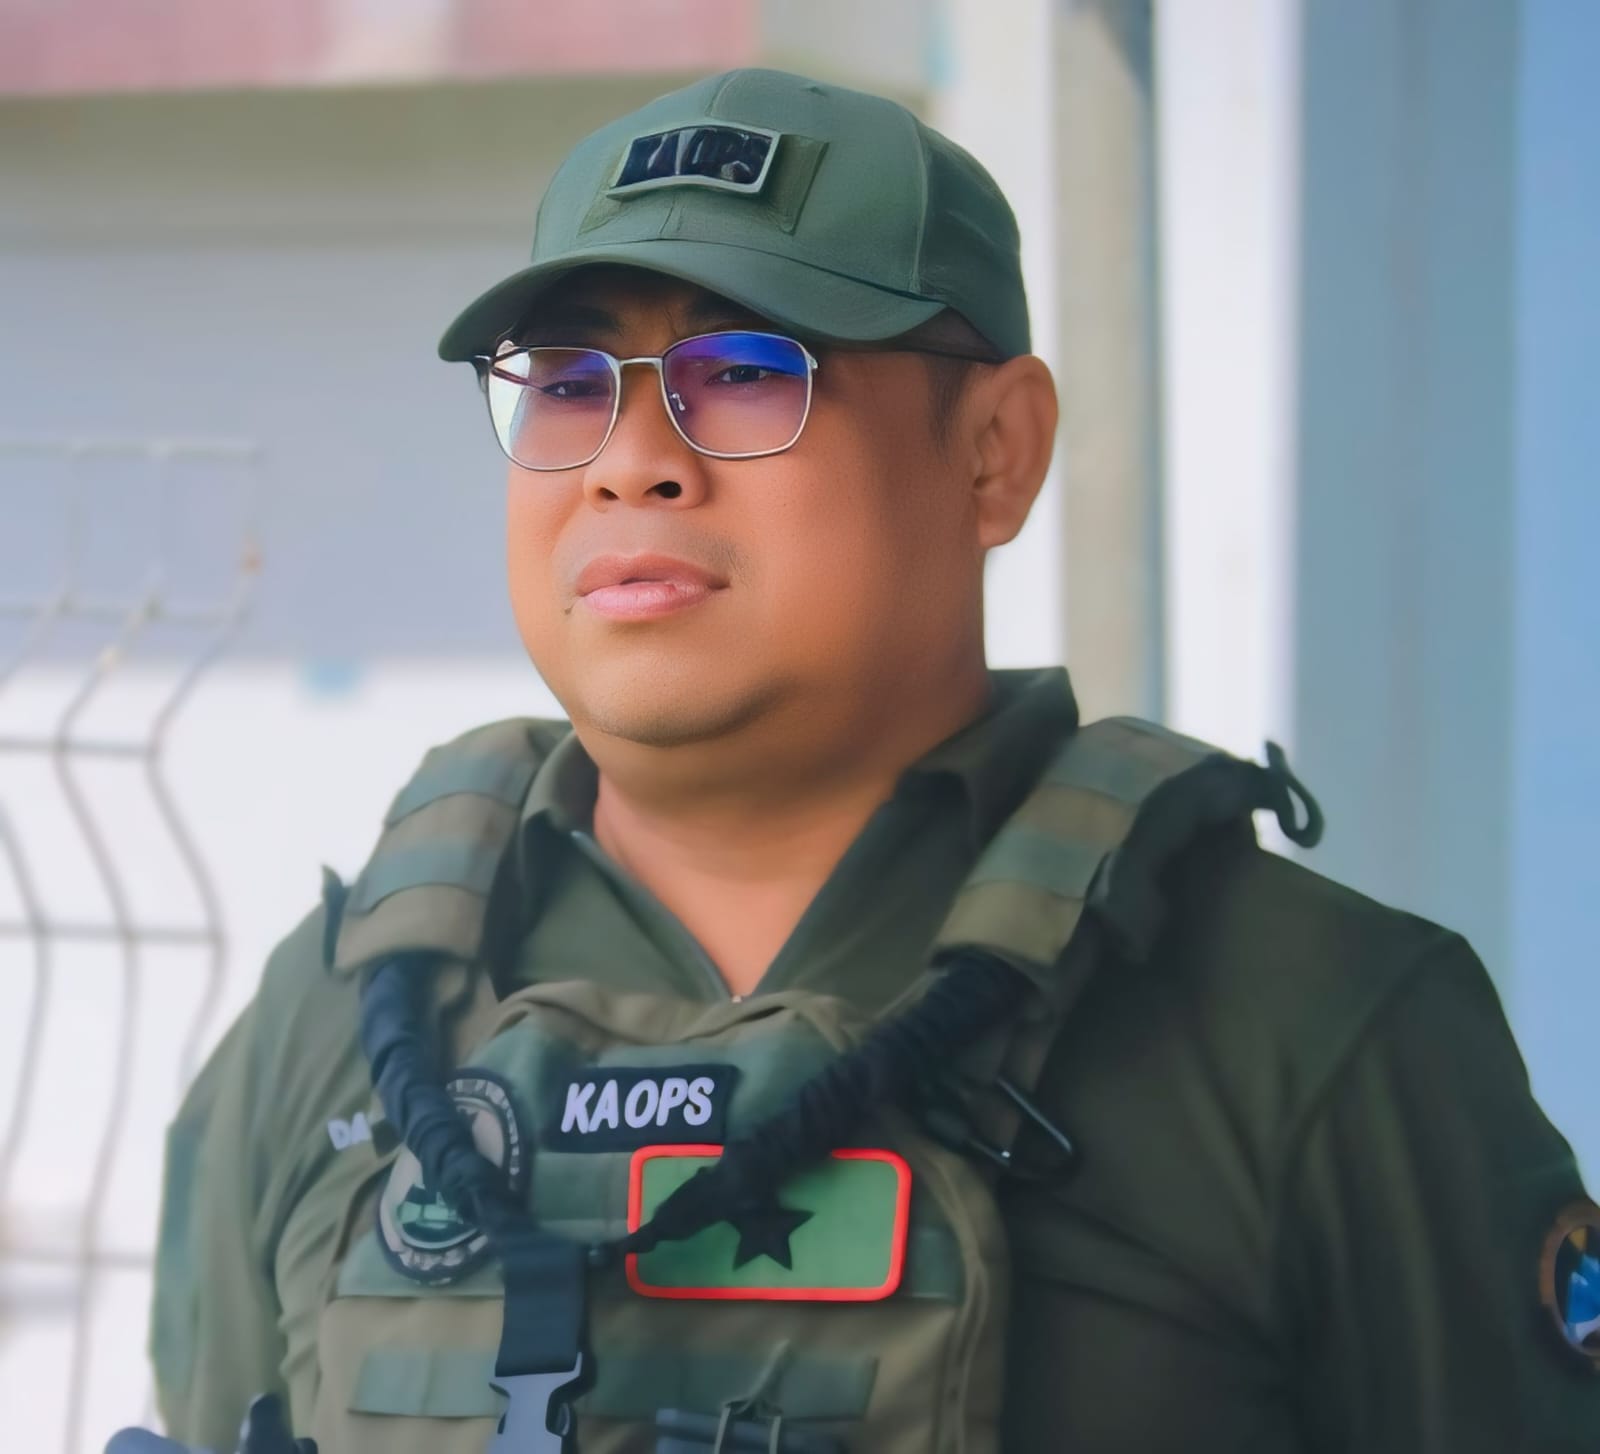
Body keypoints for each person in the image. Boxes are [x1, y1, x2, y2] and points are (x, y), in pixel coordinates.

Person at [126, 68, 1599, 1454]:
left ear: (995, 452)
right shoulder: (343, 1020)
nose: (631, 460)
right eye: (570, 381)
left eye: (745, 369)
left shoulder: (1310, 1023)